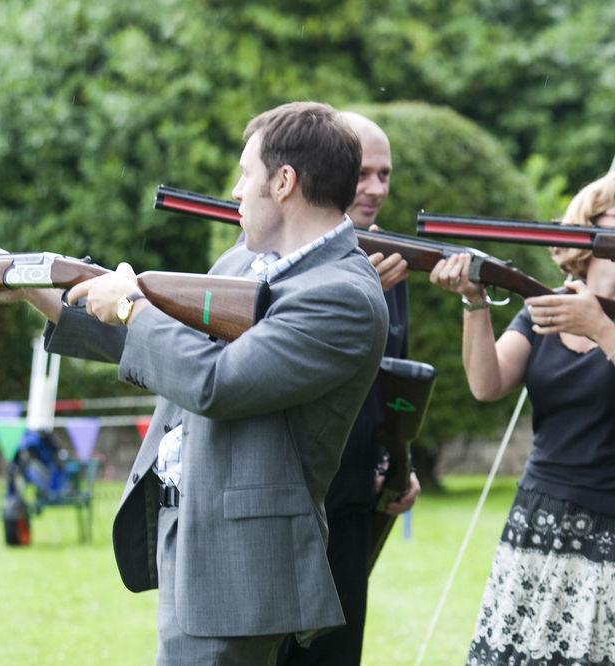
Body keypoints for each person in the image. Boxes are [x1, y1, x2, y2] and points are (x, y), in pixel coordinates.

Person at [0, 101, 390, 664]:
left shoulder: (341, 295)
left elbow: (216, 382)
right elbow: (154, 345)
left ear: (283, 182)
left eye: (245, 175)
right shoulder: (243, 266)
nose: (234, 190)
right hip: (189, 526)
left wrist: (130, 308)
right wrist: (32, 285)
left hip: (241, 557)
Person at [430, 168, 615, 665]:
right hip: (542, 516)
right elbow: (486, 384)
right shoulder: (546, 308)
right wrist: (474, 303)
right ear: (588, 228)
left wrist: (603, 329)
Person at [276, 111, 419, 666]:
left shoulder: (390, 260)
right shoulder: (273, 256)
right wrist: (351, 288)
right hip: (292, 494)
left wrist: (400, 461)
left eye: (385, 174)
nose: (376, 189)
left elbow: (392, 378)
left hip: (356, 496)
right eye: (364, 173)